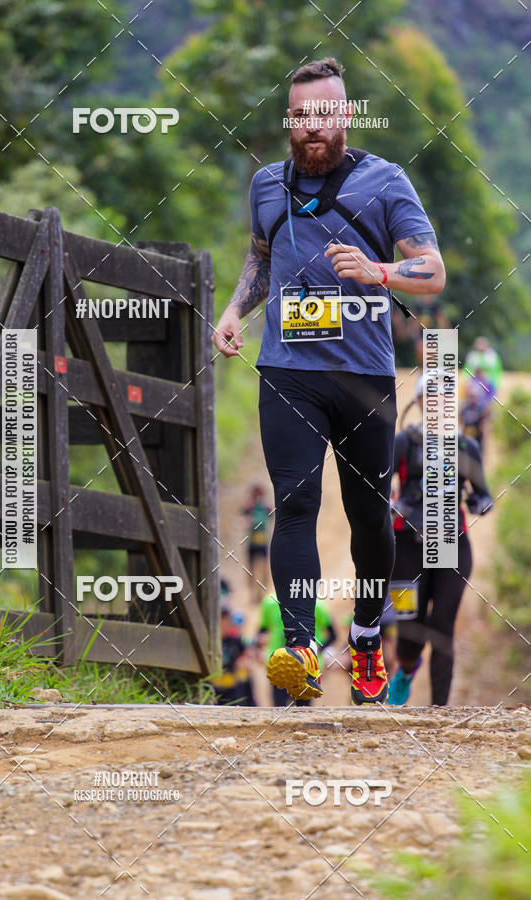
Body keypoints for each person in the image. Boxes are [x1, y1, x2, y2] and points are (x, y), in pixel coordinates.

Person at [212, 56, 445, 704]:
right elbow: (261, 260)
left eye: (324, 114)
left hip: (365, 376)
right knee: (294, 503)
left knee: (370, 517)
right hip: (289, 370)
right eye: (301, 115)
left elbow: (433, 270)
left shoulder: (384, 182)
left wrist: (379, 272)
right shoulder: (265, 186)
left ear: (344, 116)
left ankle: (367, 634)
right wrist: (235, 311)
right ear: (290, 119)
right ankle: (299, 647)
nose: (312, 126)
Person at [387, 375, 493, 706]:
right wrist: (393, 505)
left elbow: (484, 496)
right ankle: (405, 670)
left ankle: (439, 711)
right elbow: (375, 488)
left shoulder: (466, 446)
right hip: (405, 546)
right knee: (409, 633)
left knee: (442, 627)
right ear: (419, 403)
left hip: (452, 544)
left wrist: (480, 504)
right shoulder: (404, 442)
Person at [257, 591, 336, 706]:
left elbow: (333, 635)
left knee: (303, 709)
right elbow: (261, 631)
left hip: (306, 665)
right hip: (278, 664)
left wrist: (319, 650)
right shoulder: (269, 603)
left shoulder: (318, 604)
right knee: (280, 708)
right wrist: (259, 647)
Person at [241, 484, 272, 604]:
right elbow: (242, 520)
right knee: (252, 570)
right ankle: (253, 594)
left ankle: (262, 593)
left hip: (261, 541)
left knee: (263, 569)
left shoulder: (265, 507)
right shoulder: (250, 507)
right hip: (253, 542)